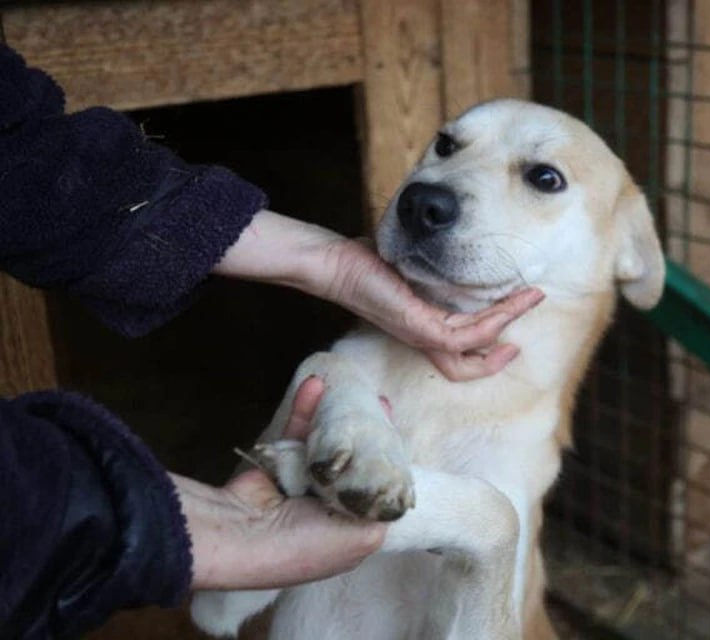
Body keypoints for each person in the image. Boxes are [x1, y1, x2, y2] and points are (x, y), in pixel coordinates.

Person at [0, 43, 543, 638]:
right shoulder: (345, 371)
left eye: (542, 178)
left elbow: (20, 153)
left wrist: (331, 263)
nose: (436, 189)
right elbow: (218, 608)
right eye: (447, 146)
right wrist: (212, 534)